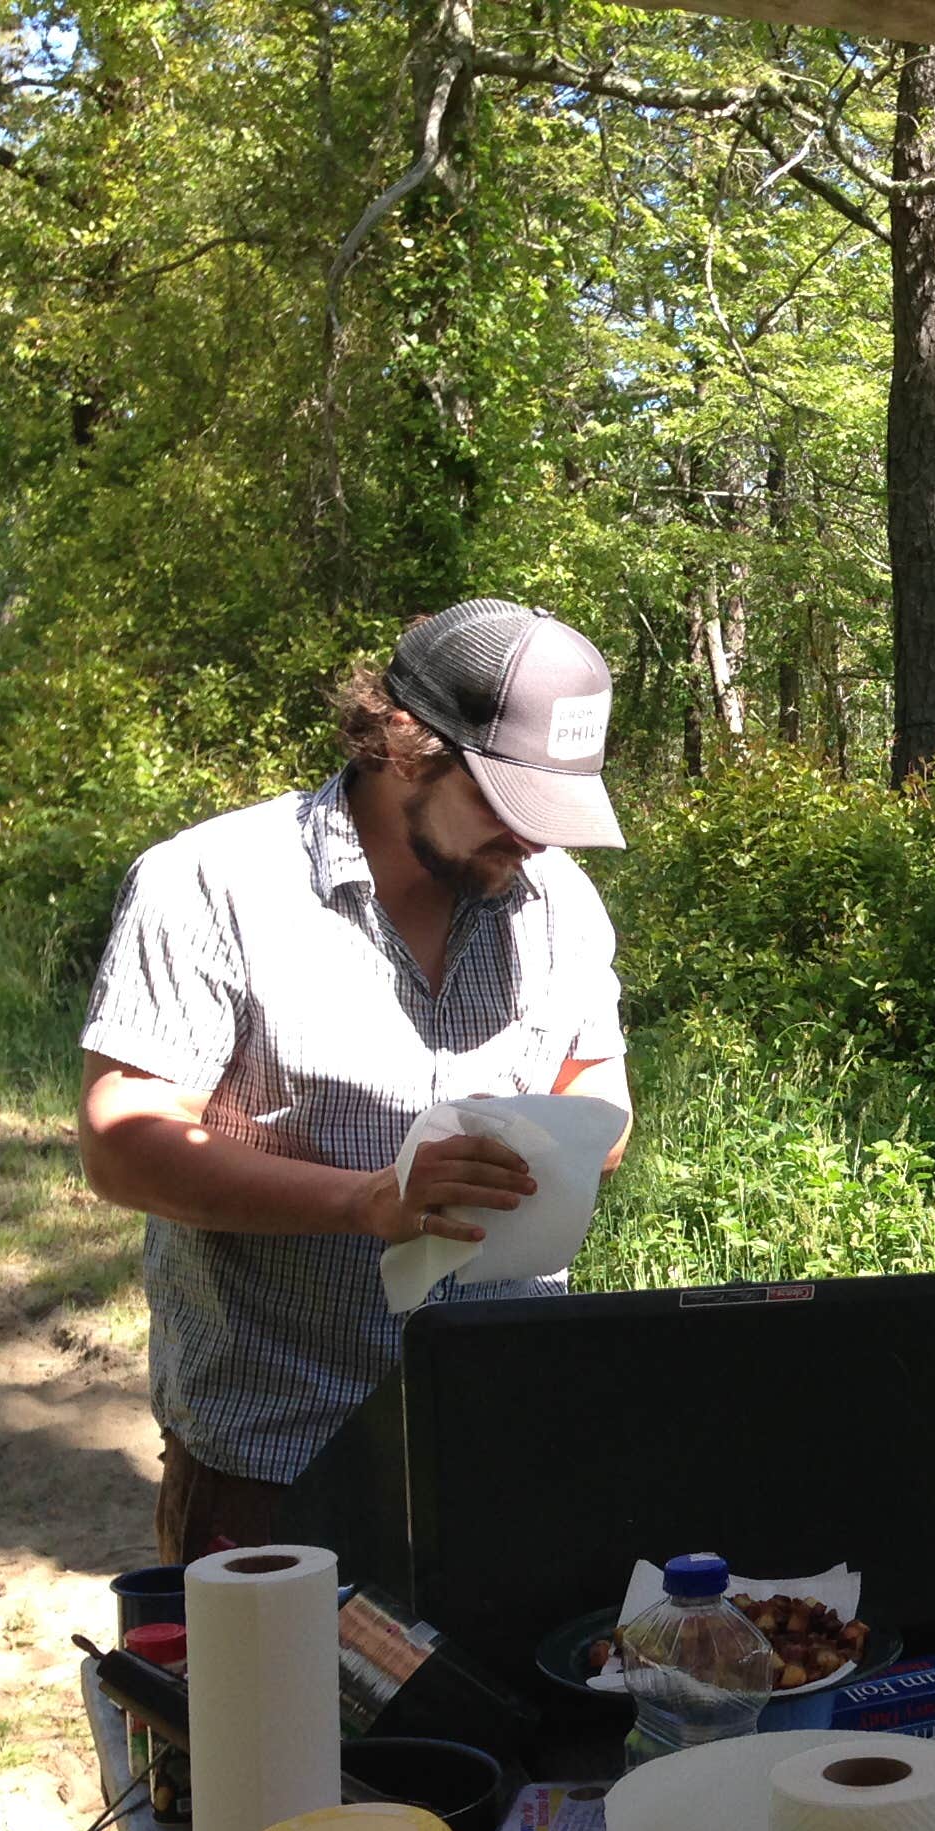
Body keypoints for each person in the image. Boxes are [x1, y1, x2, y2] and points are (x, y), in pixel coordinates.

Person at [79, 601, 635, 1563]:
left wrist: (580, 1136)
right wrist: (365, 1201)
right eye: (510, 805)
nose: (536, 842)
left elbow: (597, 1082)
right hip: (276, 1456)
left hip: (505, 1435)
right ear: (404, 743)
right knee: (275, 1716)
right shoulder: (212, 884)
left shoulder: (558, 903)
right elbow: (122, 1140)